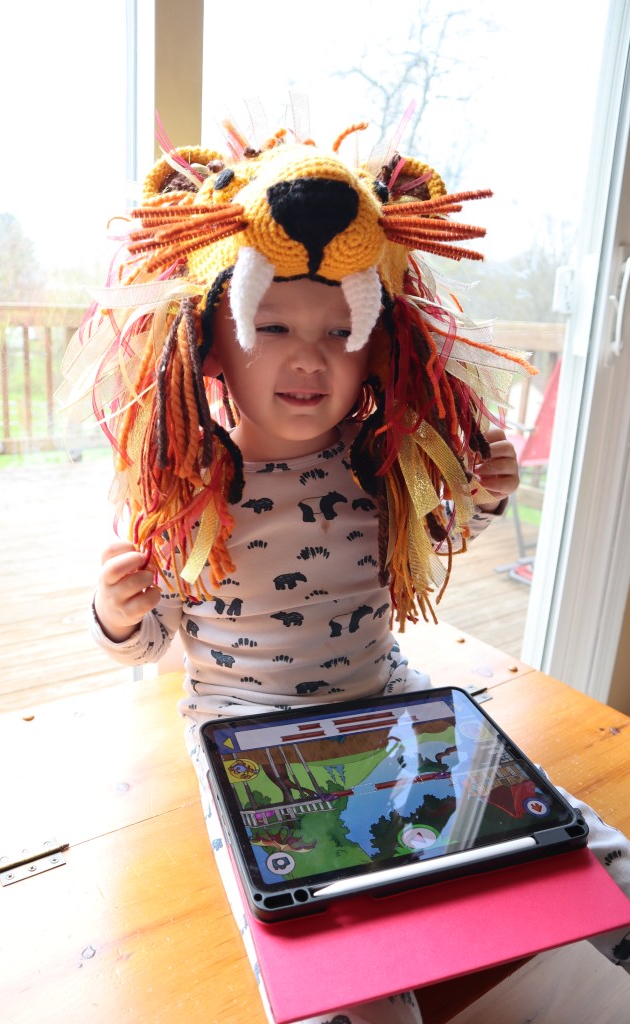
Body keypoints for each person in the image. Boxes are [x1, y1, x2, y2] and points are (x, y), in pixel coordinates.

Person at [60, 114, 629, 1024]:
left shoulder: (379, 465)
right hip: (249, 738)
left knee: (554, 822)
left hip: (388, 703)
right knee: (328, 940)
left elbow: (436, 537)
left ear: (378, 345)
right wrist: (117, 611)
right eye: (271, 323)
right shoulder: (185, 482)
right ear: (210, 340)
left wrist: (482, 493)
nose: (307, 356)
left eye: (341, 329)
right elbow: (148, 641)